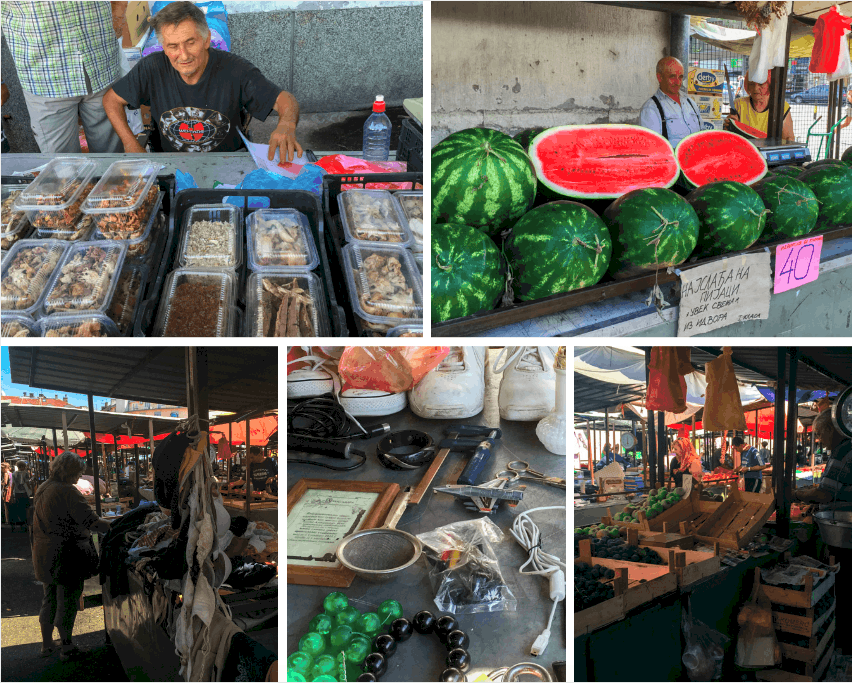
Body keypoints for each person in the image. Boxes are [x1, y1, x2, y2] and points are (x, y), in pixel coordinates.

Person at [103, 1, 302, 160]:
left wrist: (286, 125)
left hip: (228, 161)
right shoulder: (152, 67)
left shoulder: (235, 70)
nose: (183, 55)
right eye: (173, 46)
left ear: (206, 39)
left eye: (190, 42)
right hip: (170, 163)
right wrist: (131, 144)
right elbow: (111, 100)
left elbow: (285, 100)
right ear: (163, 47)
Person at [0, 1, 125, 153]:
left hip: (101, 64)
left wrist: (118, 15)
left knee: (112, 159)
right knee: (64, 170)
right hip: (47, 78)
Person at [31, 452, 113, 660]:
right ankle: (67, 647)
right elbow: (92, 522)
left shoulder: (44, 487)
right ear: (68, 471)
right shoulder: (67, 491)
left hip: (44, 553)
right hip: (65, 554)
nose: (79, 477)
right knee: (67, 601)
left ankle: (47, 644)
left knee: (49, 598)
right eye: (78, 473)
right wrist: (117, 525)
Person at [639, 56, 704, 149]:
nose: (678, 82)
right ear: (660, 77)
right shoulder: (651, 109)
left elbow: (703, 133)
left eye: (680, 77)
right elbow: (652, 148)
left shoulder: (690, 102)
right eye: (672, 77)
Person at [796, 406, 852, 504]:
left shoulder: (842, 452)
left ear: (830, 430)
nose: (819, 440)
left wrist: (795, 494)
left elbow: (824, 494)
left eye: (819, 434)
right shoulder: (844, 447)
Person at [726, 70, 795, 140]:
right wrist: (728, 126)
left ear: (769, 85)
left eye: (761, 84)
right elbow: (731, 137)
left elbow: (789, 139)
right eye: (751, 84)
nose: (755, 88)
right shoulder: (738, 104)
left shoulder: (781, 106)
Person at [8, 460, 33, 532]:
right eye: (24, 467)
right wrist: (30, 490)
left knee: (20, 507)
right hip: (24, 492)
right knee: (27, 507)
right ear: (22, 466)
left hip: (17, 493)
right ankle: (27, 521)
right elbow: (27, 482)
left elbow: (12, 484)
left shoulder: (14, 473)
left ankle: (21, 521)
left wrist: (12, 494)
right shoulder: (26, 473)